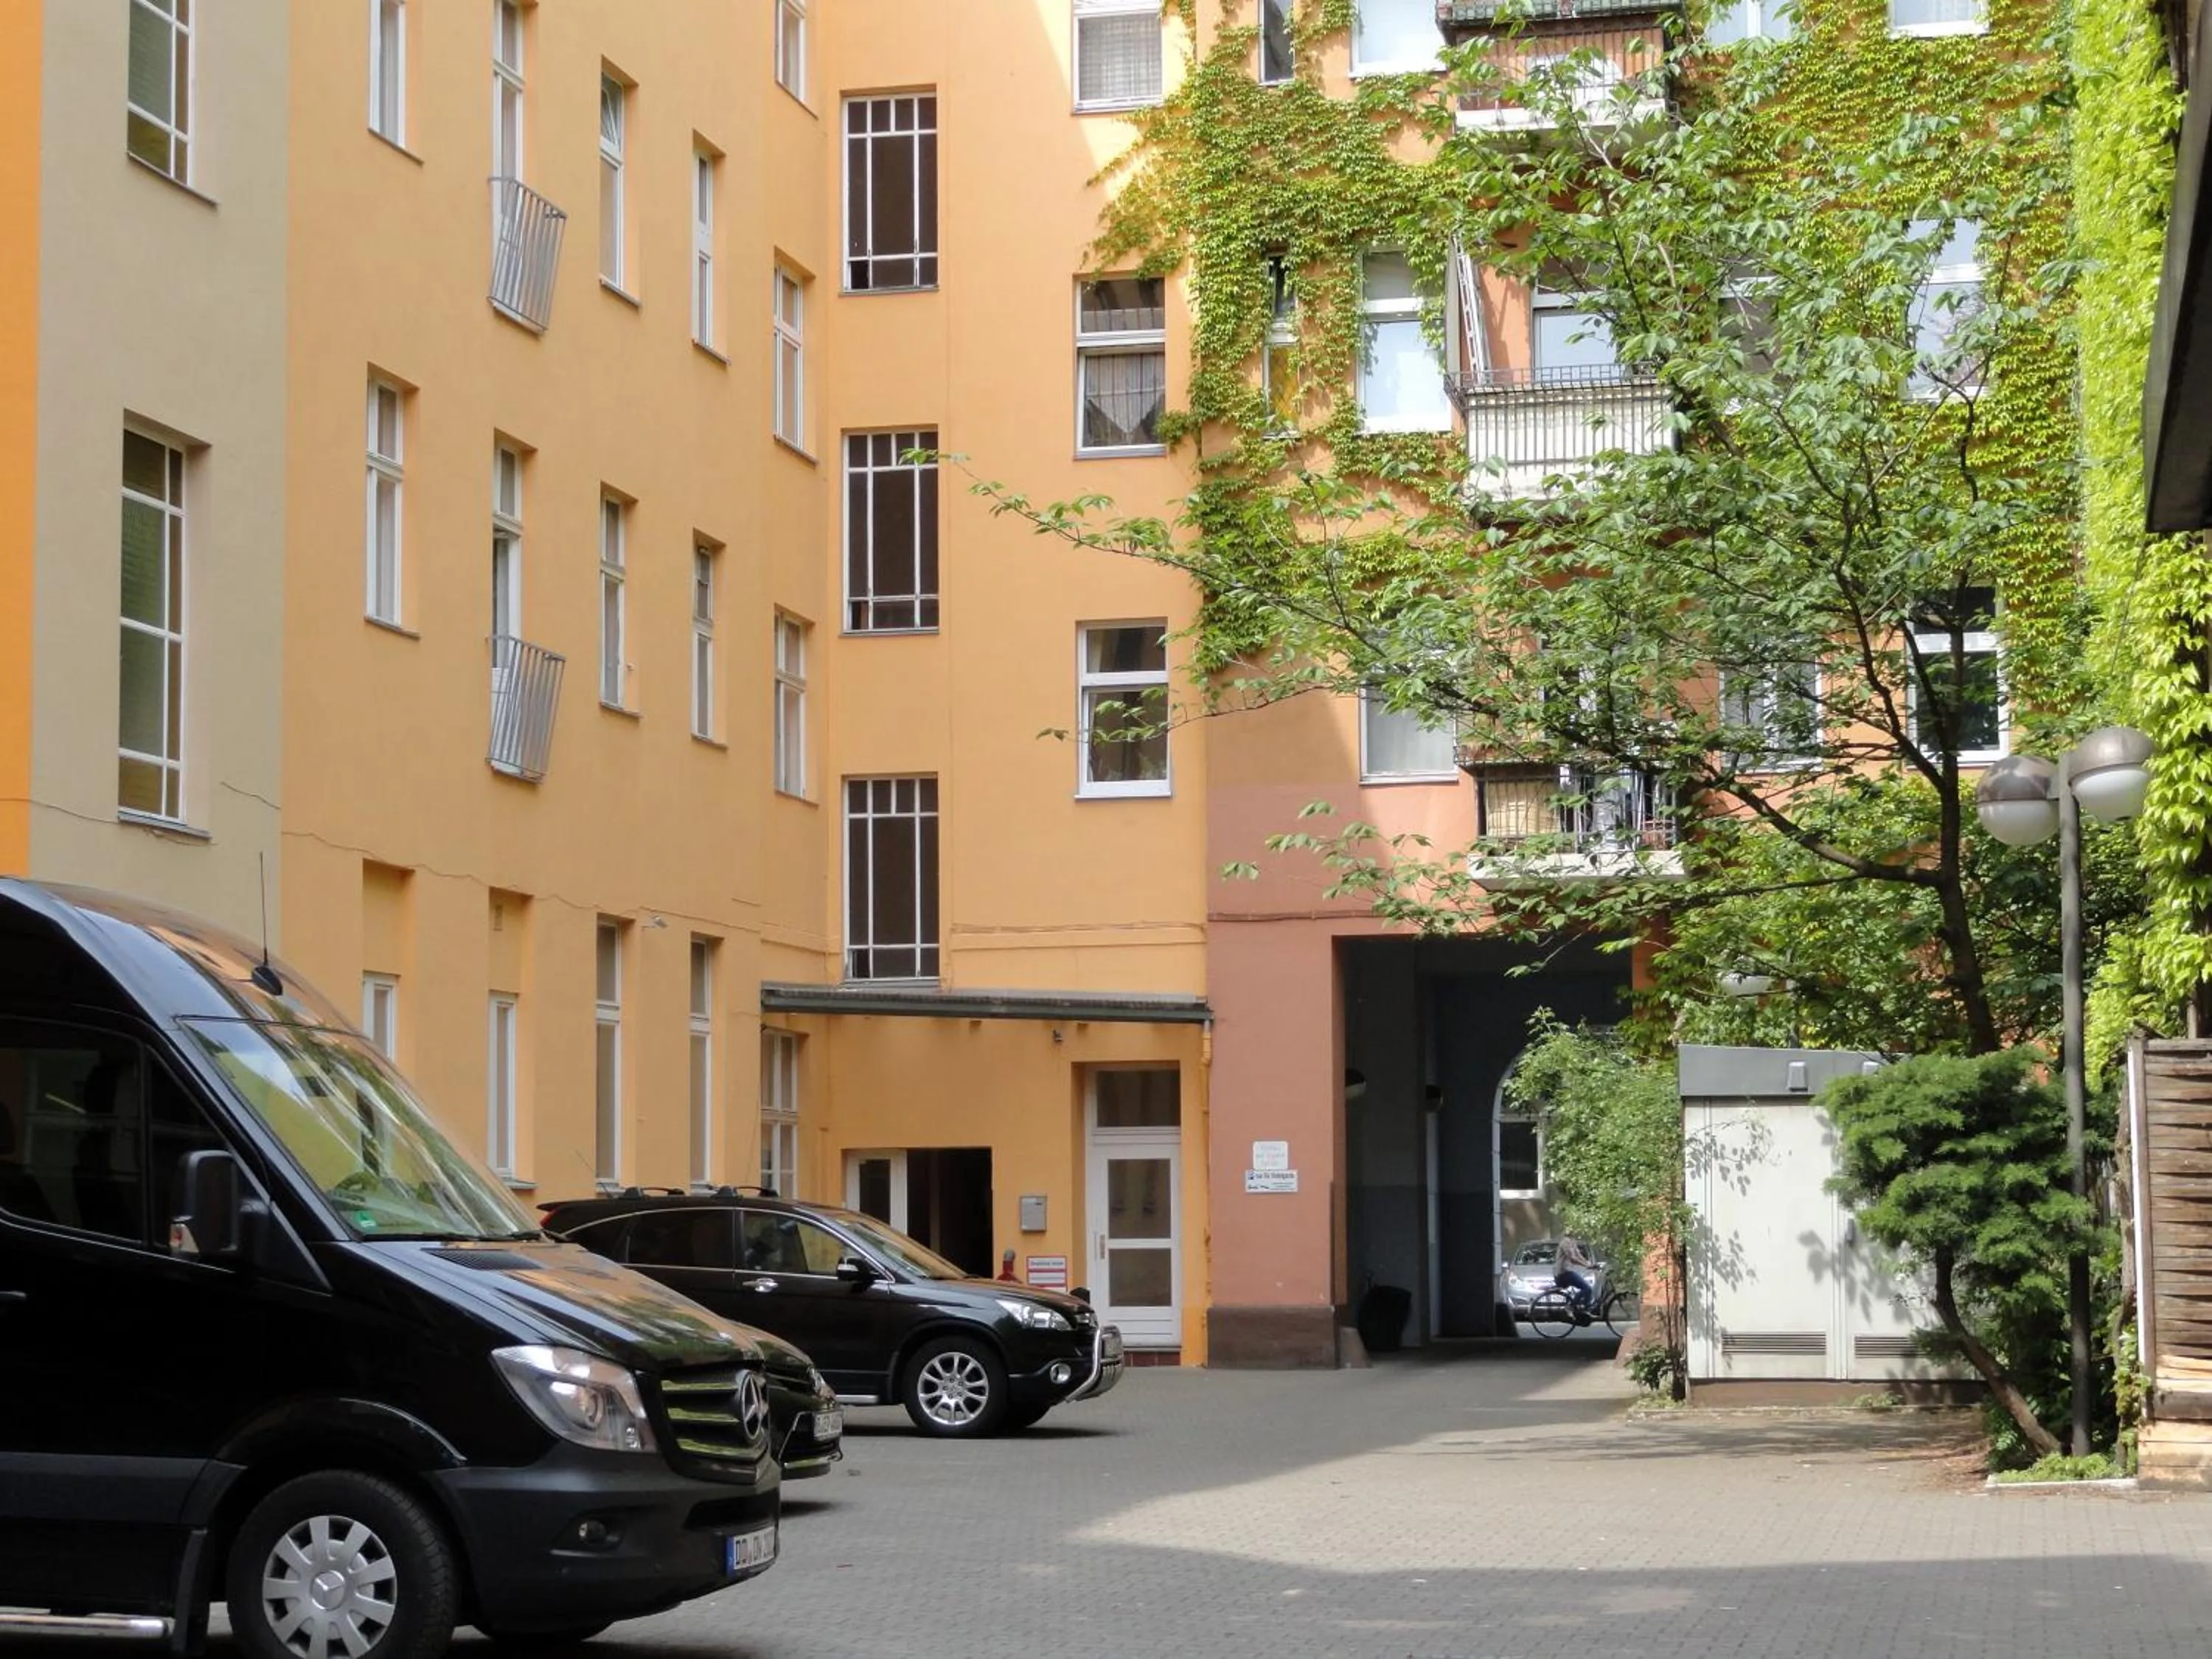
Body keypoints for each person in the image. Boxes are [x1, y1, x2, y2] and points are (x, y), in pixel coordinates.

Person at [1555, 1234, 1599, 1324]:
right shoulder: (1565, 1242)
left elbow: (1578, 1255)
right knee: (1587, 1289)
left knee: (1586, 1289)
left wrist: (1589, 1264)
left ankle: (1585, 1311)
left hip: (1568, 1272)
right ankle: (1571, 1307)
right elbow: (1572, 1259)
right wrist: (1586, 1266)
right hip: (1563, 1273)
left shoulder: (1572, 1242)